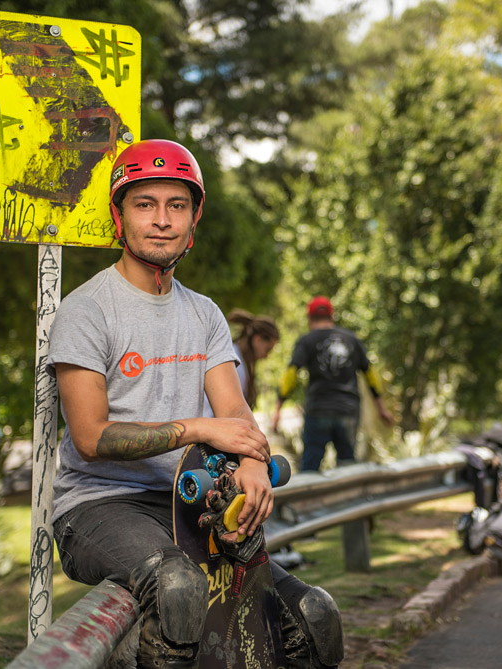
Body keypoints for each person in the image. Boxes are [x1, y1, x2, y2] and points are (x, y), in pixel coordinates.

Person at [47, 139, 343, 669]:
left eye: (176, 205)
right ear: (119, 215)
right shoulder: (87, 309)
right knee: (178, 588)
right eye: (145, 204)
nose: (162, 220)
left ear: (194, 218)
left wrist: (253, 460)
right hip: (98, 506)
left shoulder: (204, 313)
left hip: (191, 506)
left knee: (313, 619)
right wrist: (198, 429)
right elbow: (90, 438)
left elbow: (234, 411)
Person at [271, 295, 394, 471]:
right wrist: (381, 408)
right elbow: (370, 374)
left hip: (318, 409)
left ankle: (309, 489)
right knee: (347, 465)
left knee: (311, 465)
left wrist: (278, 408)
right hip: (348, 410)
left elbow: (291, 374)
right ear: (332, 316)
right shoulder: (352, 339)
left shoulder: (307, 340)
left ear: (309, 318)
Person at [203, 309, 280, 415]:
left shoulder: (239, 360)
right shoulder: (232, 364)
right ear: (257, 340)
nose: (266, 356)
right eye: (267, 350)